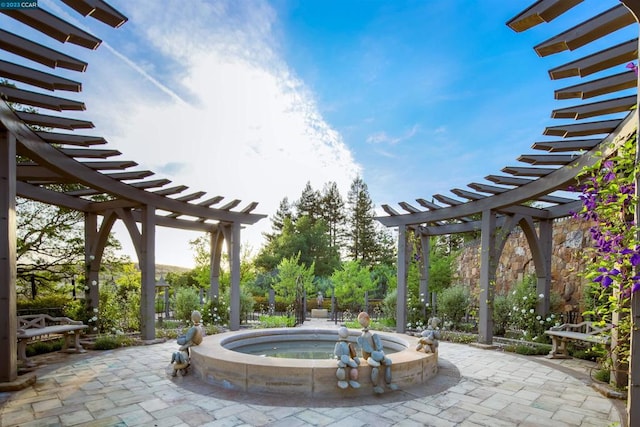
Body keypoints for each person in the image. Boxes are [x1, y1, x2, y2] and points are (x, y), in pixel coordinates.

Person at [356, 311, 397, 394]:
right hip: (369, 356)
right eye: (364, 319)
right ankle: (375, 386)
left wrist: (379, 353)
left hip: (375, 353)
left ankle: (388, 383)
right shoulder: (363, 337)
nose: (366, 320)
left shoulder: (371, 335)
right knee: (376, 365)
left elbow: (376, 344)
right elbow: (366, 349)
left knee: (387, 362)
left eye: (366, 318)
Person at [170, 310, 205, 377]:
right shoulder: (200, 327)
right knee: (182, 351)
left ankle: (177, 370)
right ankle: (181, 369)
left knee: (181, 348)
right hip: (197, 342)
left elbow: (187, 339)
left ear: (192, 318)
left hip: (193, 343)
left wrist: (180, 339)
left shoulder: (194, 329)